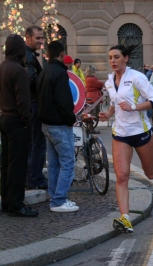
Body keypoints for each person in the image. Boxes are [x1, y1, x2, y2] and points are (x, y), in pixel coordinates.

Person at [99, 45, 153, 233]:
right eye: (110, 57)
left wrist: (134, 108)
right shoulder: (110, 81)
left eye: (116, 57)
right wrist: (108, 115)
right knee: (122, 176)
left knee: (150, 173)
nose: (113, 61)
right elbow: (115, 103)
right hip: (120, 134)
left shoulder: (137, 77)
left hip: (141, 132)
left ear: (126, 58)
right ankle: (125, 218)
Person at [37, 40, 79, 212]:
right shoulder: (60, 73)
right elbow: (64, 101)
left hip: (46, 124)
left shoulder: (44, 71)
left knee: (54, 164)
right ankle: (59, 200)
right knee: (68, 162)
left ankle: (55, 197)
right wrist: (71, 119)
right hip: (59, 125)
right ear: (62, 55)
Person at [0, 34, 38, 217]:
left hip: (4, 118)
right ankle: (16, 205)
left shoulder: (2, 67)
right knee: (18, 165)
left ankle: (7, 202)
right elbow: (23, 102)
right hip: (17, 121)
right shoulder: (19, 71)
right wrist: (27, 120)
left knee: (6, 163)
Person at [25, 25, 48, 190]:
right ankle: (36, 179)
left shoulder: (30, 55)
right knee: (38, 144)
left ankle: (33, 177)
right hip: (33, 105)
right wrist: (46, 79)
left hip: (31, 104)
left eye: (42, 38)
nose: (41, 41)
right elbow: (32, 81)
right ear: (28, 38)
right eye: (37, 38)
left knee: (35, 144)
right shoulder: (27, 56)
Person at [85, 65, 104, 134]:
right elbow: (100, 84)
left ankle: (90, 128)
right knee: (93, 114)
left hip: (92, 97)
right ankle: (91, 129)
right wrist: (102, 84)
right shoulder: (92, 79)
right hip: (93, 98)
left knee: (91, 113)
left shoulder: (88, 78)